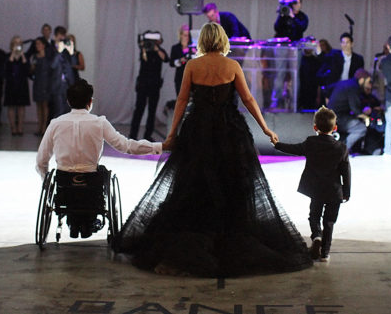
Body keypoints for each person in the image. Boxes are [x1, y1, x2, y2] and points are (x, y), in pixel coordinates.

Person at [117, 22, 312, 277]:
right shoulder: (232, 66)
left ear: (202, 41)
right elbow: (248, 99)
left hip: (197, 130)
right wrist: (265, 128)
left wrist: (172, 133)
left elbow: (183, 100)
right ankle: (229, 235)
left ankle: (197, 236)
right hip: (229, 131)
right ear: (222, 40)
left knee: (193, 184)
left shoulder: (193, 66)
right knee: (232, 183)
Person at [36, 79, 162, 238]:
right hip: (92, 185)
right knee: (100, 173)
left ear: (68, 101)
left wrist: (46, 182)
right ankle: (87, 221)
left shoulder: (55, 123)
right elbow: (127, 146)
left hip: (64, 184)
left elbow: (41, 160)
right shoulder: (99, 123)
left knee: (69, 184)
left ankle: (74, 221)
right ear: (90, 102)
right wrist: (158, 147)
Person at [271, 106, 350, 262]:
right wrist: (346, 192)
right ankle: (325, 253)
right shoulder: (341, 147)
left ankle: (316, 236)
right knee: (329, 221)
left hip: (316, 190)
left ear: (315, 127)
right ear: (335, 128)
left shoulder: (310, 142)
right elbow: (346, 172)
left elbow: (295, 149)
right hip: (334, 191)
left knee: (314, 215)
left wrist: (278, 144)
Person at [129, 31, 169, 142]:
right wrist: (144, 44)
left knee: (152, 111)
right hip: (143, 83)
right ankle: (133, 135)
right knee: (139, 110)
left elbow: (166, 59)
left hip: (155, 84)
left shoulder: (160, 51)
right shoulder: (145, 49)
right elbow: (143, 55)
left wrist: (156, 49)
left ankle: (147, 135)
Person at [327, 69, 373, 152]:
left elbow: (326, 90)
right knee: (361, 128)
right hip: (338, 117)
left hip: (331, 115)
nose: (369, 85)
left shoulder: (345, 83)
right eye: (368, 81)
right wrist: (366, 117)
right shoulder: (353, 87)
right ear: (362, 79)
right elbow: (355, 110)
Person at [316, 33, 365, 102]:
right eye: (343, 42)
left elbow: (359, 74)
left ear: (352, 44)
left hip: (350, 88)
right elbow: (323, 59)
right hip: (336, 87)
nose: (345, 45)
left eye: (347, 42)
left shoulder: (358, 59)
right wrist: (319, 52)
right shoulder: (334, 56)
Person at [4, 35, 31, 136]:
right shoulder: (7, 56)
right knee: (11, 106)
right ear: (12, 44)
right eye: (15, 42)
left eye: (19, 43)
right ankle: (13, 128)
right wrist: (13, 54)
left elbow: (27, 69)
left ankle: (20, 127)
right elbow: (6, 68)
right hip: (11, 84)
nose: (17, 44)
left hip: (22, 84)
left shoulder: (25, 56)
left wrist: (22, 55)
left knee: (21, 106)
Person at [169, 24, 193, 96]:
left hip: (193, 78)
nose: (187, 37)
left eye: (188, 35)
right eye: (185, 35)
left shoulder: (193, 47)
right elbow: (171, 63)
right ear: (181, 35)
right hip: (180, 78)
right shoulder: (175, 48)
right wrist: (180, 60)